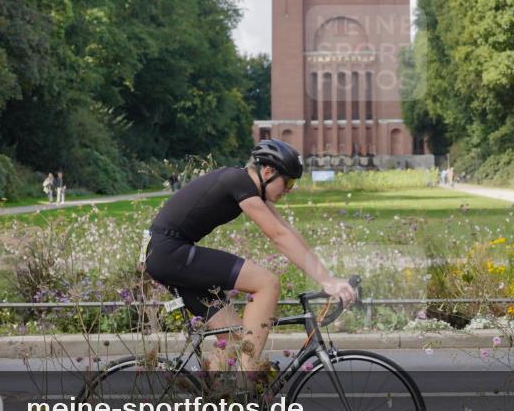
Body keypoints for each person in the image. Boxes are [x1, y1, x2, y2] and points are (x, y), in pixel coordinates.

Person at [142, 139, 356, 373]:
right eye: (288, 182)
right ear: (268, 172)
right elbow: (277, 236)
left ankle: (215, 394)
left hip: (164, 254)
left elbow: (288, 232)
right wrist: (326, 280)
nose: (289, 190)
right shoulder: (239, 181)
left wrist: (328, 277)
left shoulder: (248, 187)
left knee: (233, 338)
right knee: (267, 283)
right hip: (169, 252)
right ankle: (248, 375)